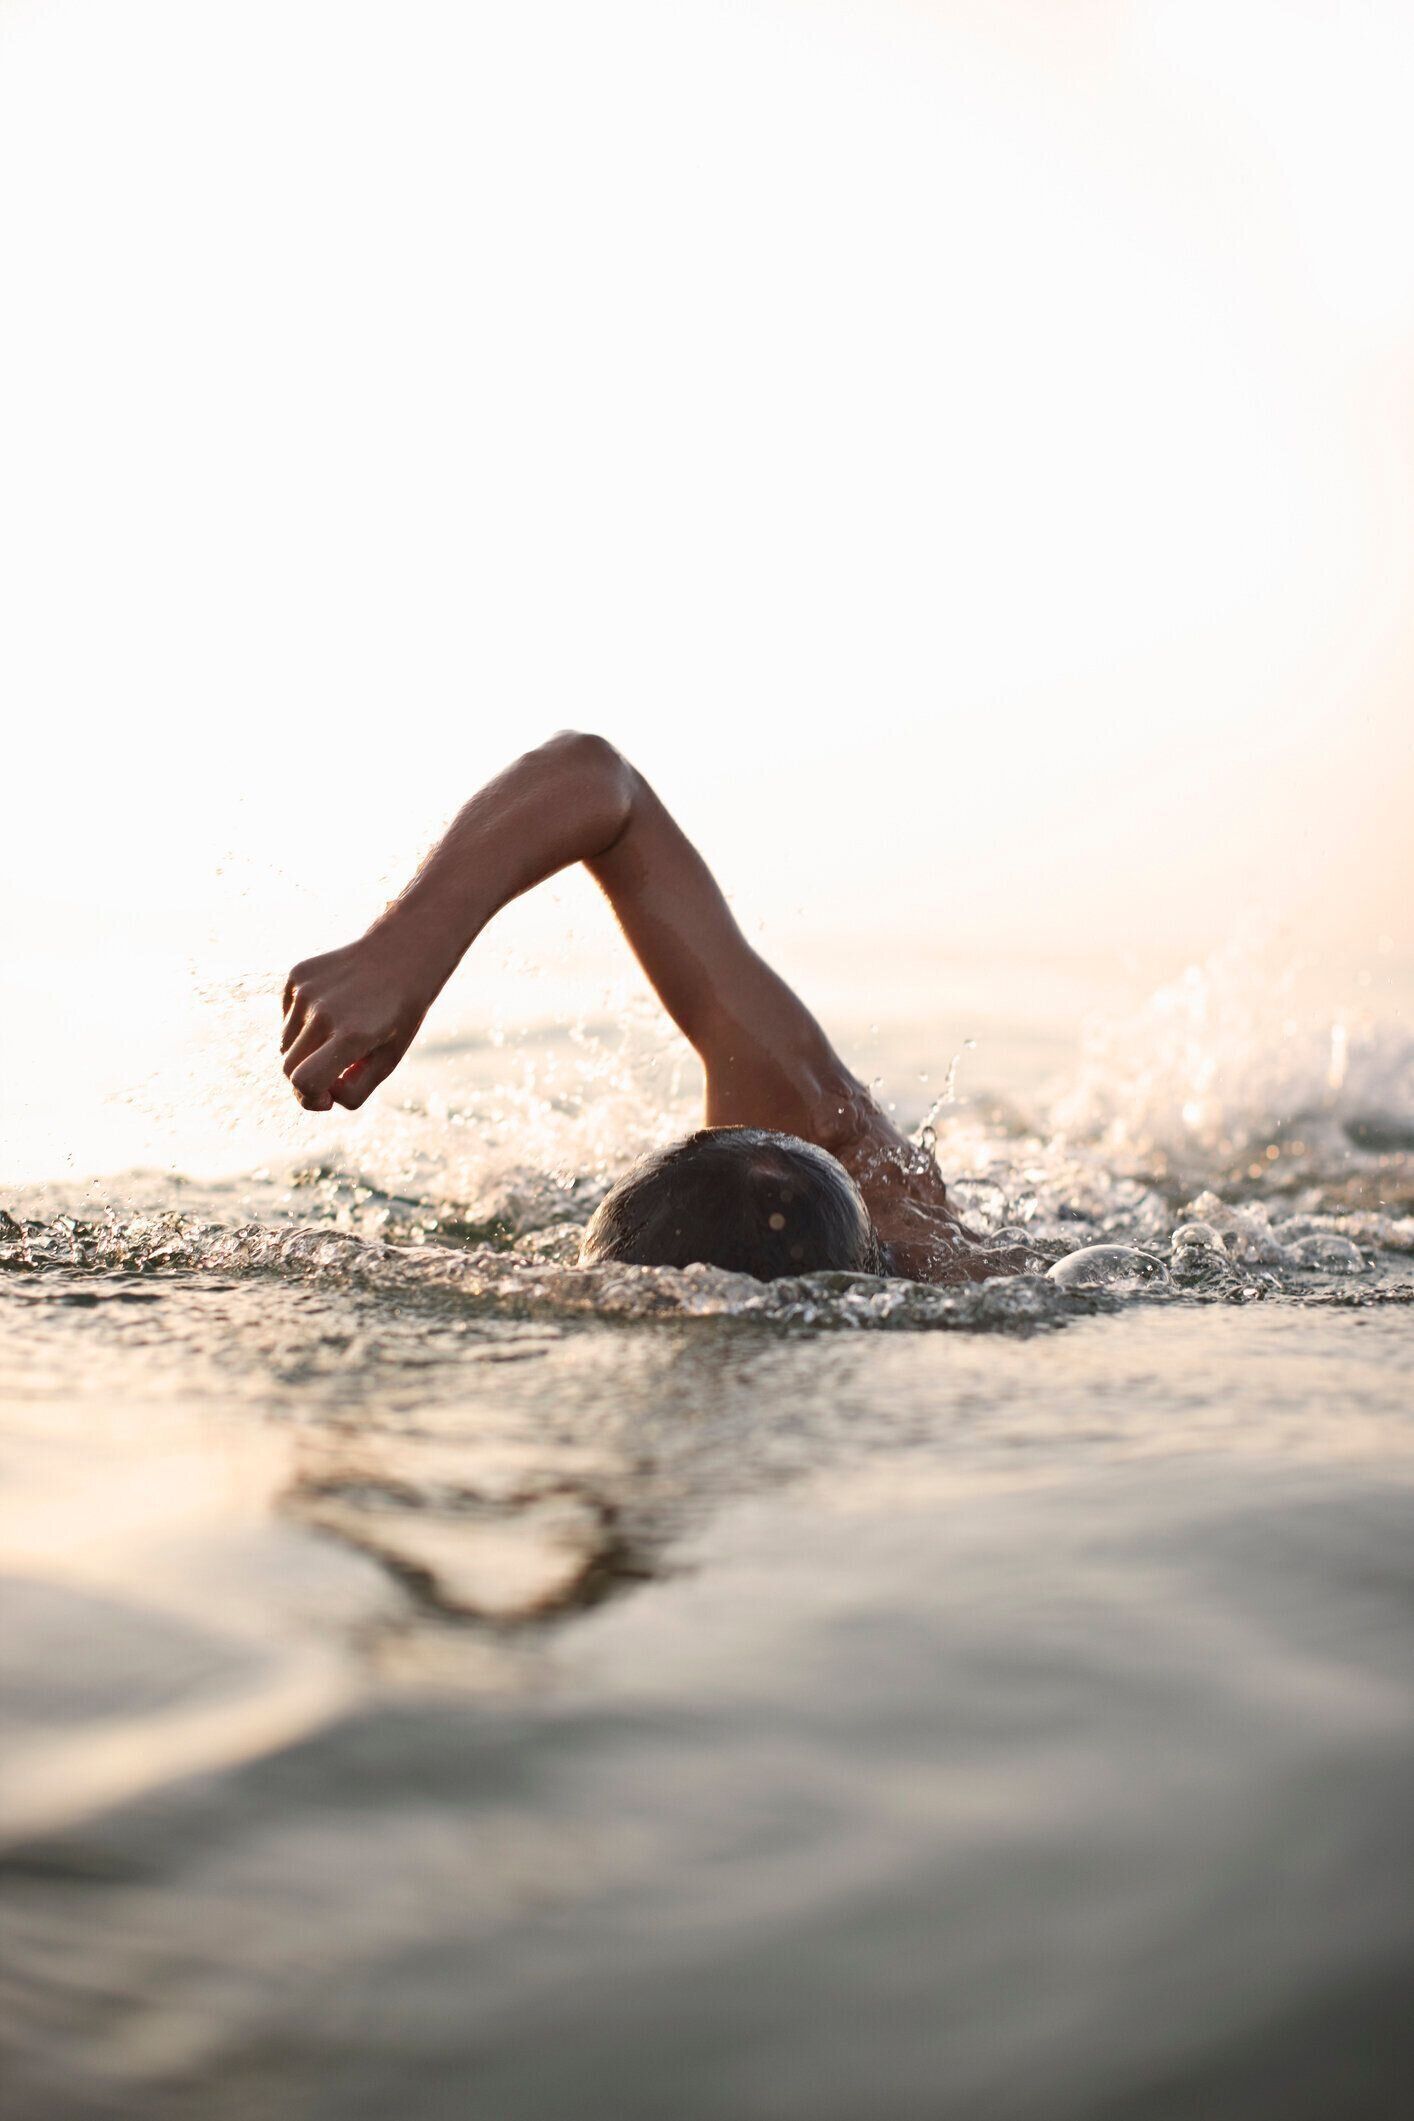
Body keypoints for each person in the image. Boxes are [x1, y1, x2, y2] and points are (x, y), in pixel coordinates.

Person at [280, 733, 1030, 1284]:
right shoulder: (828, 1127)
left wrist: (400, 950)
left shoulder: (847, 1167)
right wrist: (403, 948)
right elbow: (601, 782)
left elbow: (603, 781)